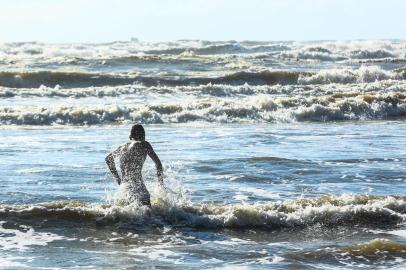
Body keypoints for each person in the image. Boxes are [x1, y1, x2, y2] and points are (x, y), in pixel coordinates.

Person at [105, 124, 163, 206]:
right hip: (138, 188)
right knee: (149, 215)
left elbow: (108, 159)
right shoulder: (144, 144)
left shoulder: (122, 147)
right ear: (143, 135)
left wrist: (118, 179)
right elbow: (158, 164)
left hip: (124, 188)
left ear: (130, 136)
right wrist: (160, 184)